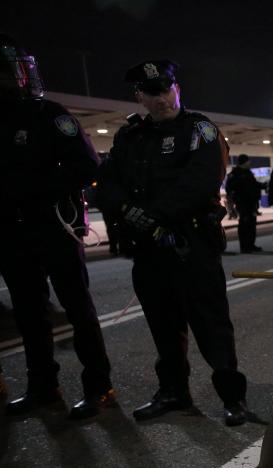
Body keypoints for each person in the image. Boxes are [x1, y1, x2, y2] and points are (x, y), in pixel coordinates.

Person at [96, 59, 249, 426]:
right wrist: (130, 213)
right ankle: (173, 392)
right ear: (139, 97)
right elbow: (108, 183)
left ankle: (233, 398)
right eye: (151, 92)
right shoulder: (129, 137)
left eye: (165, 89)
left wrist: (152, 214)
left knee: (212, 327)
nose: (161, 97)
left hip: (191, 245)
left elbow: (200, 183)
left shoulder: (199, 130)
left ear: (176, 88)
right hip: (149, 251)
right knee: (164, 329)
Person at [0, 33, 116, 419]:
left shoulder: (49, 114)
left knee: (77, 308)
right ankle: (43, 386)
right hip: (11, 233)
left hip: (52, 226)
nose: (16, 78)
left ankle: (99, 387)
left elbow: (87, 166)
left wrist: (34, 190)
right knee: (30, 313)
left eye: (18, 70)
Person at [225, 153, 264, 252]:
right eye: (248, 161)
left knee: (251, 224)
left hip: (251, 203)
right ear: (244, 162)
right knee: (244, 224)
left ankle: (251, 244)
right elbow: (229, 188)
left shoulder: (248, 173)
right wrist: (231, 203)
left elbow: (254, 185)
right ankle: (245, 246)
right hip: (242, 203)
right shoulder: (235, 174)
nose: (249, 162)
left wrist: (264, 185)